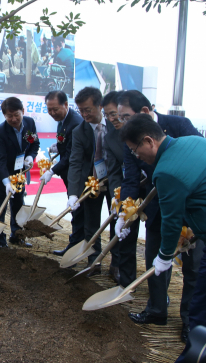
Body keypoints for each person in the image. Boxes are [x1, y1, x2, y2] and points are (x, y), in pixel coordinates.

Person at [120, 114, 206, 363]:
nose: (136, 157)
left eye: (135, 150)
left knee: (205, 313)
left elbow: (171, 222)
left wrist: (163, 257)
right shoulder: (197, 142)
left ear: (149, 141)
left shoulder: (165, 172)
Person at [116, 90, 204, 343]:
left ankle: (190, 320)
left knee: (194, 268)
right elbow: (130, 180)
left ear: (144, 112)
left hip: (190, 211)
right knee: (155, 261)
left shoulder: (180, 126)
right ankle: (156, 310)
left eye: (126, 116)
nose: (123, 122)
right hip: (156, 209)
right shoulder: (129, 138)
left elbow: (198, 161)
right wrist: (126, 211)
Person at [65, 86, 114, 276]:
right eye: (81, 110)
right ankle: (94, 262)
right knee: (91, 224)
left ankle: (116, 265)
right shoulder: (79, 131)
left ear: (100, 106)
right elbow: (75, 163)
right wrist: (73, 193)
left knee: (116, 220)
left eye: (88, 110)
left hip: (113, 181)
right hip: (91, 182)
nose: (84, 114)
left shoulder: (114, 125)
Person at [0, 97, 40, 248]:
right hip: (1, 174)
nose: (13, 119)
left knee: (18, 203)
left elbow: (34, 143)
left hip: (19, 172)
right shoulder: (0, 132)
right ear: (4, 116)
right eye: (9, 116)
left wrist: (30, 156)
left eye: (16, 114)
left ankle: (17, 236)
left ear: (23, 111)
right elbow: (0, 160)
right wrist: (6, 182)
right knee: (0, 207)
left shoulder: (29, 123)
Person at [39, 90, 84, 256]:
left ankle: (76, 249)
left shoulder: (76, 123)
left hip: (77, 176)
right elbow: (65, 143)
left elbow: (72, 156)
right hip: (68, 174)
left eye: (55, 109)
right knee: (77, 212)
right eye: (49, 110)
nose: (52, 113)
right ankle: (75, 247)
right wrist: (58, 145)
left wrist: (52, 170)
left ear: (66, 105)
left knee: (79, 213)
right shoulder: (63, 120)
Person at [100, 90, 125, 283]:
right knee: (122, 228)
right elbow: (115, 170)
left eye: (114, 113)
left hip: (154, 188)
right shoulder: (110, 138)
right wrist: (117, 196)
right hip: (124, 186)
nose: (111, 118)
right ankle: (121, 270)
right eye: (107, 115)